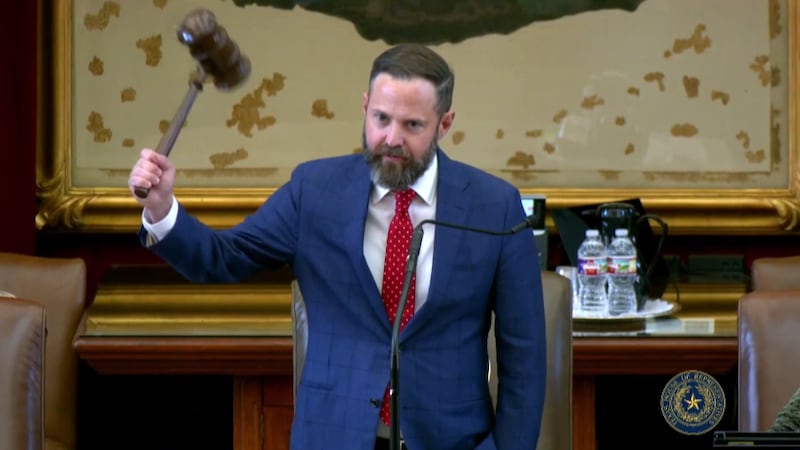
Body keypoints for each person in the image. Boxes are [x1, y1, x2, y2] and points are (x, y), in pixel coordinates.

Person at [128, 43, 546, 450]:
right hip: (334, 435)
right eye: (381, 118)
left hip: (452, 439)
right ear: (365, 106)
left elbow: (524, 359)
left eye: (412, 125)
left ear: (445, 123)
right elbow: (222, 259)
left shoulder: (495, 206)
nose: (392, 138)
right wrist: (163, 208)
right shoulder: (315, 192)